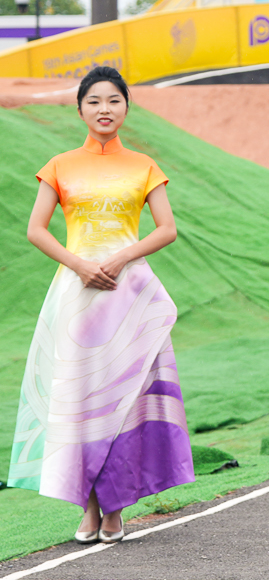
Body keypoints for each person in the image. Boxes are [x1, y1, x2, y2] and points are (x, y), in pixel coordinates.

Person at [9, 66, 194, 544]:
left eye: (113, 100)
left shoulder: (144, 166)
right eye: (94, 102)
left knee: (125, 403)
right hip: (77, 298)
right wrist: (80, 266)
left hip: (128, 297)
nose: (104, 110)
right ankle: (88, 507)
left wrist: (120, 257)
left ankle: (114, 507)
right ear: (80, 109)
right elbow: (36, 229)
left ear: (126, 107)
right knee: (81, 404)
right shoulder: (60, 165)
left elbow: (166, 229)